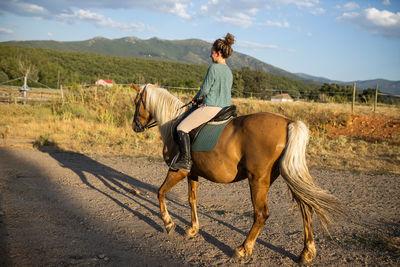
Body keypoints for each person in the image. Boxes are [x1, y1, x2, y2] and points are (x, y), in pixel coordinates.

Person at [171, 33, 235, 171]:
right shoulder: (229, 71)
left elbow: (205, 89)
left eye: (212, 52)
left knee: (181, 128)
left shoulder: (213, 68)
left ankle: (185, 160)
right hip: (225, 108)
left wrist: (195, 98)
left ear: (218, 53)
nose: (210, 55)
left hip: (211, 107)